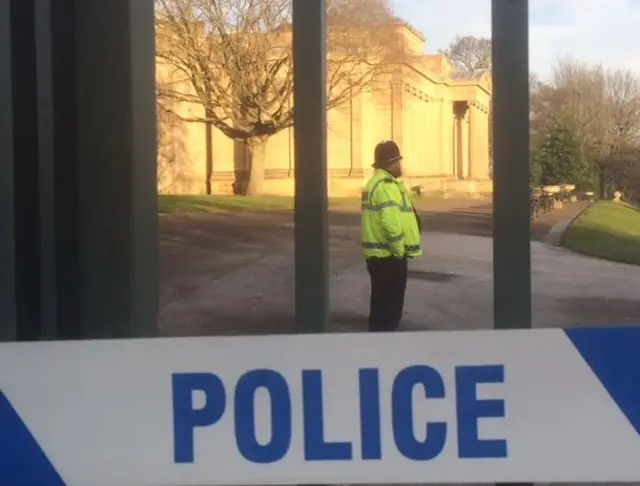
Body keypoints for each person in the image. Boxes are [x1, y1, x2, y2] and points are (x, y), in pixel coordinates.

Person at [361, 140, 422, 332]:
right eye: (397, 161)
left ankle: (378, 342)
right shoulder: (386, 186)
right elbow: (391, 223)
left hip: (379, 255)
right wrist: (398, 251)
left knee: (380, 305)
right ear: (390, 163)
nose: (400, 165)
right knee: (390, 308)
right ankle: (385, 346)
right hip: (388, 256)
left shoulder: (376, 183)